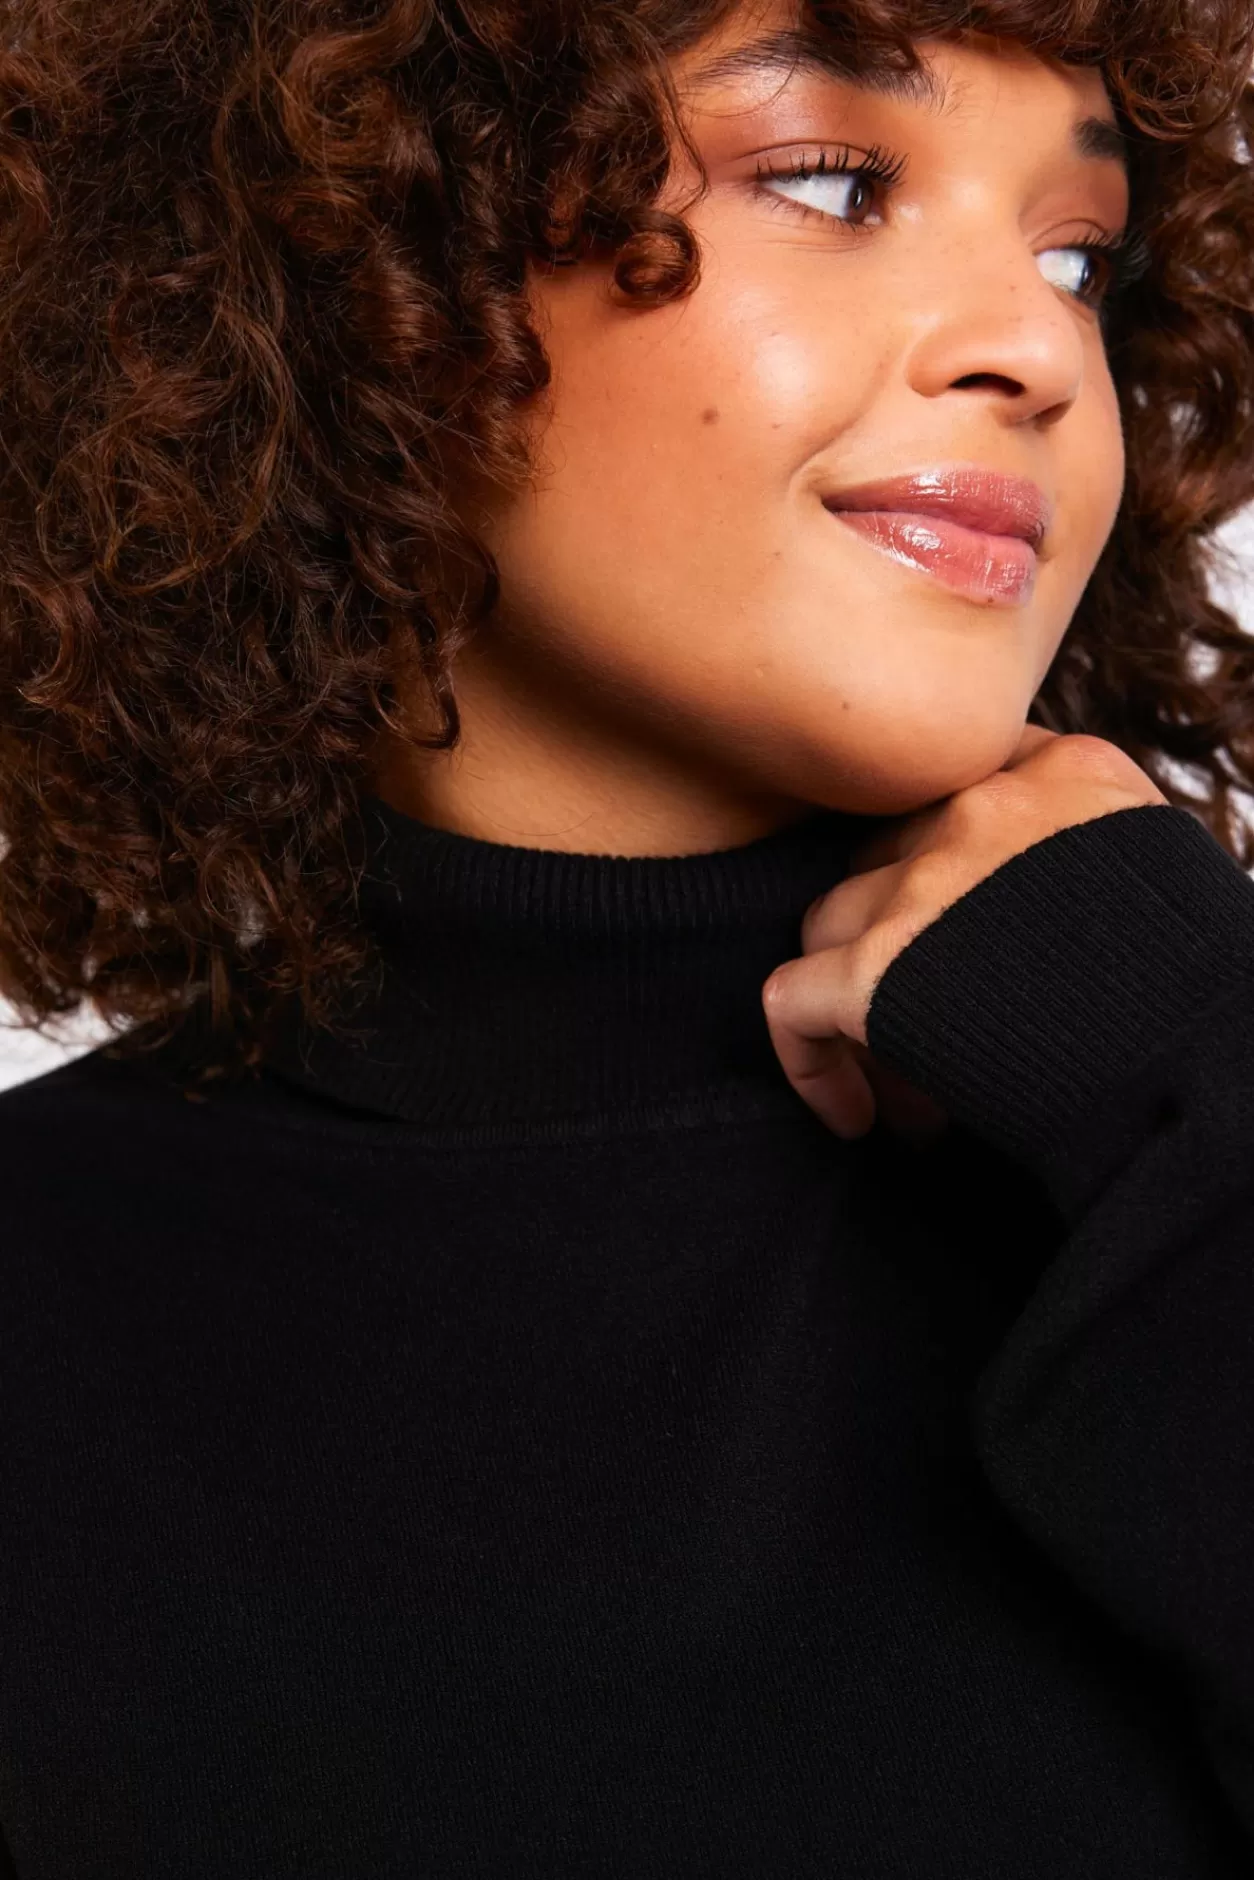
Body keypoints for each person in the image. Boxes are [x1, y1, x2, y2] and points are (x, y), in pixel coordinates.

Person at [1, 0, 1254, 1870]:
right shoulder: (46, 1305)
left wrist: (1185, 1055)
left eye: (1079, 257)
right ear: (364, 250)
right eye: (830, 182)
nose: (1032, 351)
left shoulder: (1176, 1137)